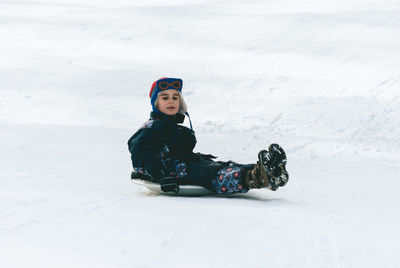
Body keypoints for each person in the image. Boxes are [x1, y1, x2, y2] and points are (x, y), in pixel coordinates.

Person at [127, 77, 289, 194]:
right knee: (211, 173)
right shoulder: (151, 127)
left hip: (185, 165)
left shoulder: (174, 127)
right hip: (172, 172)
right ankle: (256, 177)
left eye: (175, 97)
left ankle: (265, 171)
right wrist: (160, 177)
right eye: (165, 97)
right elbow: (140, 156)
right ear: (156, 103)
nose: (171, 101)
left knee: (221, 165)